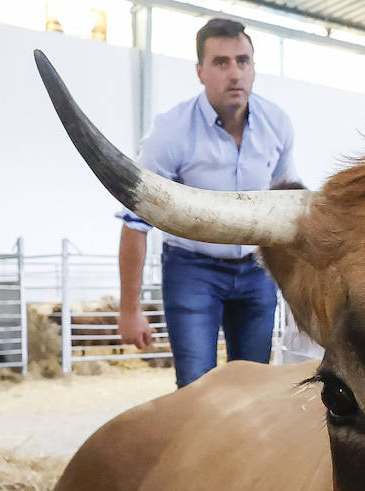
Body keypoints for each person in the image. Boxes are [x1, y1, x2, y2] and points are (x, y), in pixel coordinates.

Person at [117, 17, 298, 387]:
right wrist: (129, 310)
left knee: (254, 388)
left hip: (257, 270)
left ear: (253, 68)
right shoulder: (170, 131)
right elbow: (135, 222)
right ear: (200, 71)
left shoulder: (277, 124)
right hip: (192, 270)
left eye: (243, 60)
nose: (235, 73)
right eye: (221, 62)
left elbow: (287, 202)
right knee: (195, 386)